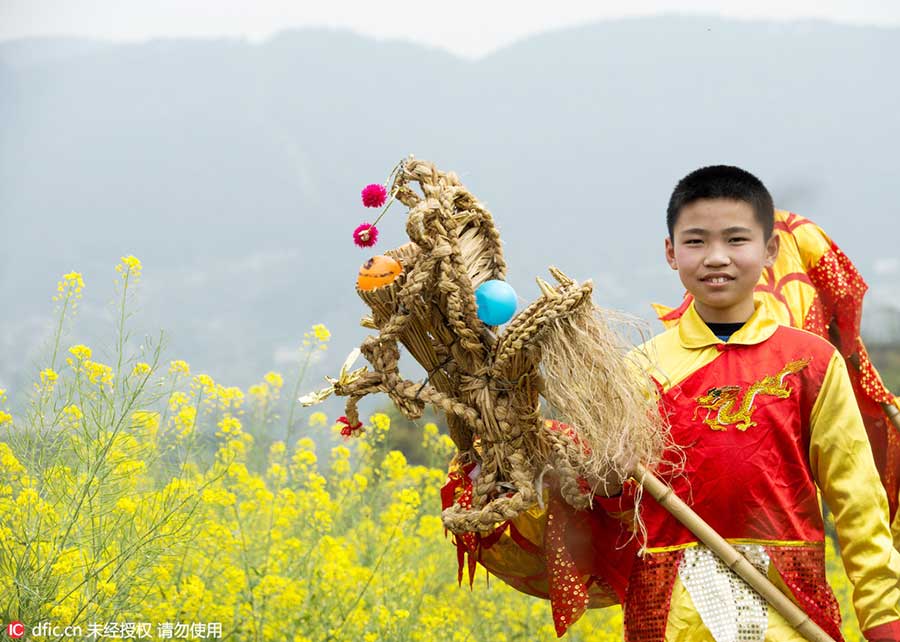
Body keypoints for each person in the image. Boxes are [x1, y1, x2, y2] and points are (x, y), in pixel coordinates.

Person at [596, 165, 900, 641]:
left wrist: (885, 624)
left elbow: (859, 505)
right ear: (671, 253)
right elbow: (612, 505)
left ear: (770, 250)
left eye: (736, 240)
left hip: (790, 617)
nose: (717, 258)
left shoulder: (811, 361)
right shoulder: (639, 371)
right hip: (671, 620)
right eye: (696, 242)